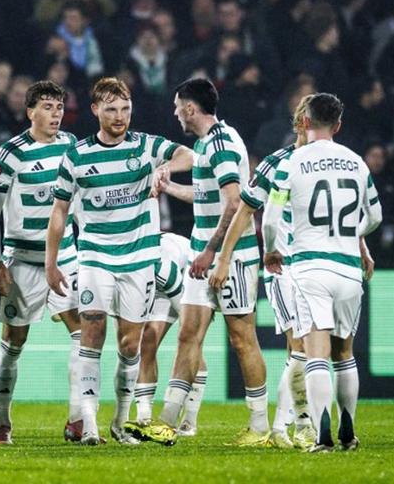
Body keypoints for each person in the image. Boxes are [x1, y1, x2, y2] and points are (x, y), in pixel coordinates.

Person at [45, 77, 193, 445]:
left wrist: (165, 170)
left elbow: (188, 155)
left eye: (125, 109)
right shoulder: (77, 156)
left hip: (140, 259)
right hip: (95, 259)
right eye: (111, 109)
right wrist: (52, 263)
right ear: (95, 110)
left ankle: (120, 422)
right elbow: (60, 211)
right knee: (92, 335)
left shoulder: (145, 146)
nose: (119, 116)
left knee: (131, 346)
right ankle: (91, 426)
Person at [130, 78, 268, 447]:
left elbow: (235, 204)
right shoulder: (208, 144)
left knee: (243, 340)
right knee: (188, 335)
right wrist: (170, 188)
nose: (175, 114)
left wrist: (213, 254)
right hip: (201, 255)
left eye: (178, 107)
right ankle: (168, 422)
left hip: (231, 257)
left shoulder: (221, 144)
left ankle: (259, 426)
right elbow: (207, 195)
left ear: (190, 108)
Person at [260, 93, 382, 452]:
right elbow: (374, 217)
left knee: (315, 354)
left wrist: (271, 250)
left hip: (310, 267)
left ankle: (322, 433)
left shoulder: (292, 163)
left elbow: (270, 218)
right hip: (348, 271)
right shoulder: (356, 163)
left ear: (305, 122)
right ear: (338, 125)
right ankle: (349, 429)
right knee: (345, 354)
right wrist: (351, 235)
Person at [212, 94, 331, 449]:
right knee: (300, 347)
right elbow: (245, 212)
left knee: (310, 351)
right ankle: (296, 426)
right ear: (298, 124)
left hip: (317, 265)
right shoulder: (275, 164)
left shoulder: (326, 164)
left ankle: (288, 427)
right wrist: (223, 258)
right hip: (283, 268)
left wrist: (359, 248)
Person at [0, 80, 81, 445]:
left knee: (83, 334)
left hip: (65, 257)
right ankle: (2, 423)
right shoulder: (11, 153)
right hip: (22, 260)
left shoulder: (71, 146)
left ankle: (78, 420)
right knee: (13, 341)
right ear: (30, 112)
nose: (55, 113)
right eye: (47, 106)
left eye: (59, 106)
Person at [134, 231, 208, 437]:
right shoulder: (123, 268)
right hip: (152, 286)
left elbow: (188, 324)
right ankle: (144, 415)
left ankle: (190, 419)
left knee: (188, 340)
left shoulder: (165, 270)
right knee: (145, 342)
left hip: (184, 275)